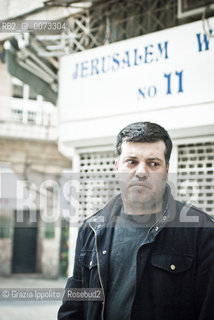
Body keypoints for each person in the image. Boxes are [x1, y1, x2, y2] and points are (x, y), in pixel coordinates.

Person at [58, 121, 214, 320]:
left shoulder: (203, 232)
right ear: (117, 166)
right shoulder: (91, 230)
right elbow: (73, 308)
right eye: (131, 161)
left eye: (153, 163)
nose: (141, 172)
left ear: (167, 169)